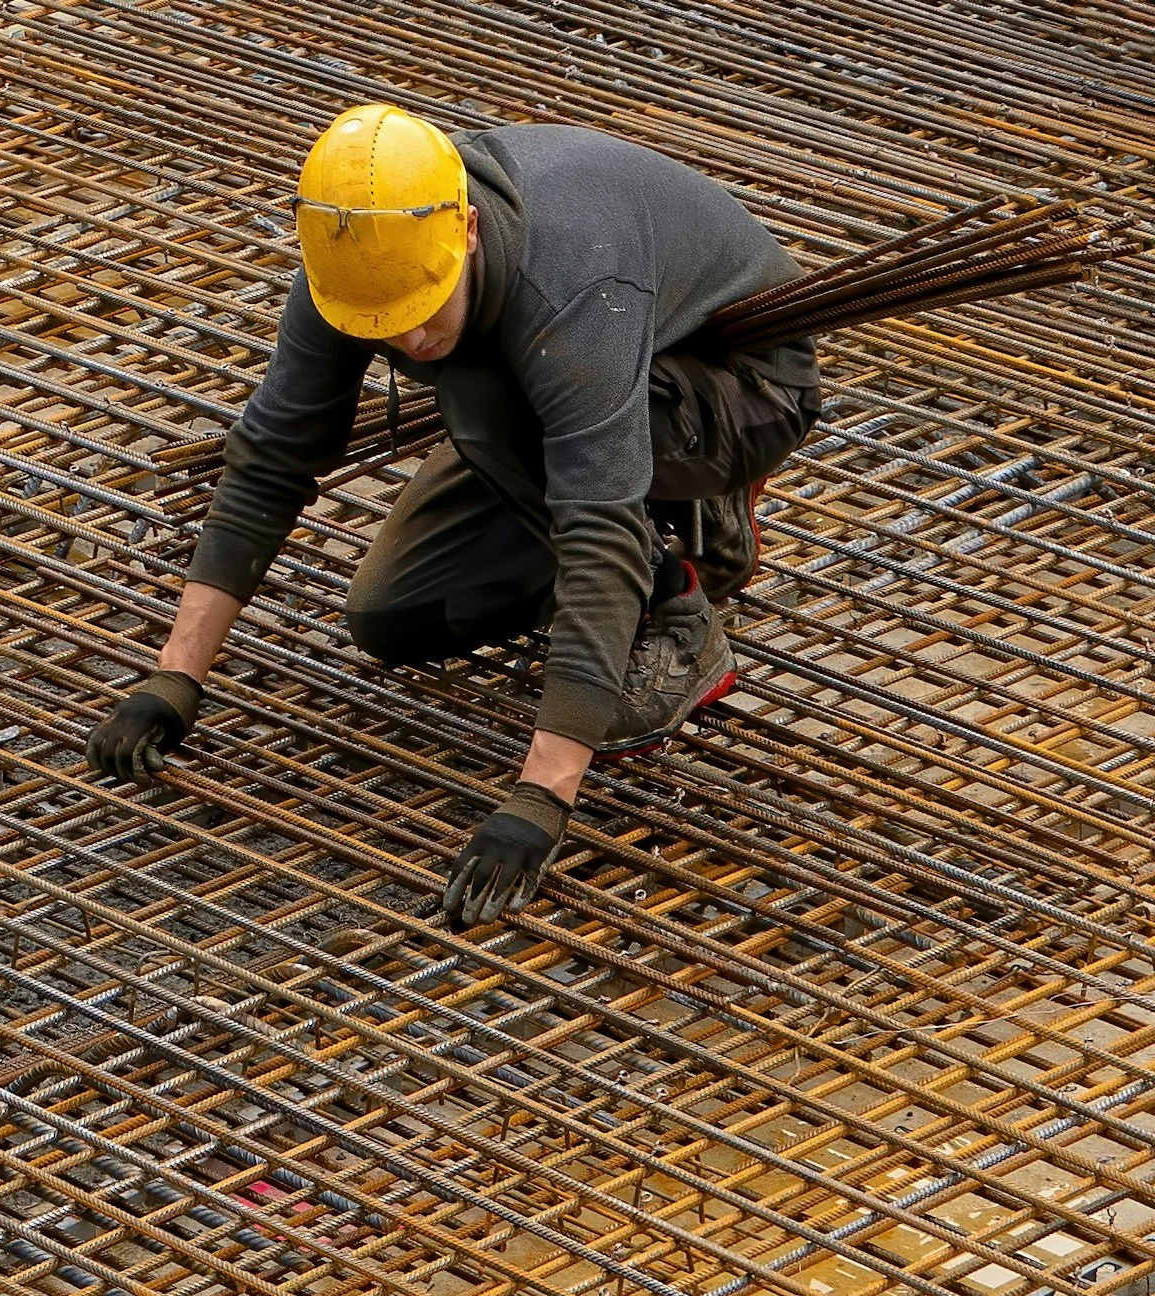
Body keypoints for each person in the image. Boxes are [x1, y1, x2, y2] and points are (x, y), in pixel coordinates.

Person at [86, 104, 821, 927]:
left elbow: (596, 530)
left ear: (467, 230)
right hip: (559, 392)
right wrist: (174, 677)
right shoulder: (353, 256)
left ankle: (678, 597)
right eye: (384, 326)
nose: (407, 338)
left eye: (421, 307)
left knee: (480, 391)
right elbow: (272, 455)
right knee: (394, 618)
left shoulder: (570, 280)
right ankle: (664, 503)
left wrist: (541, 796)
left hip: (738, 387)